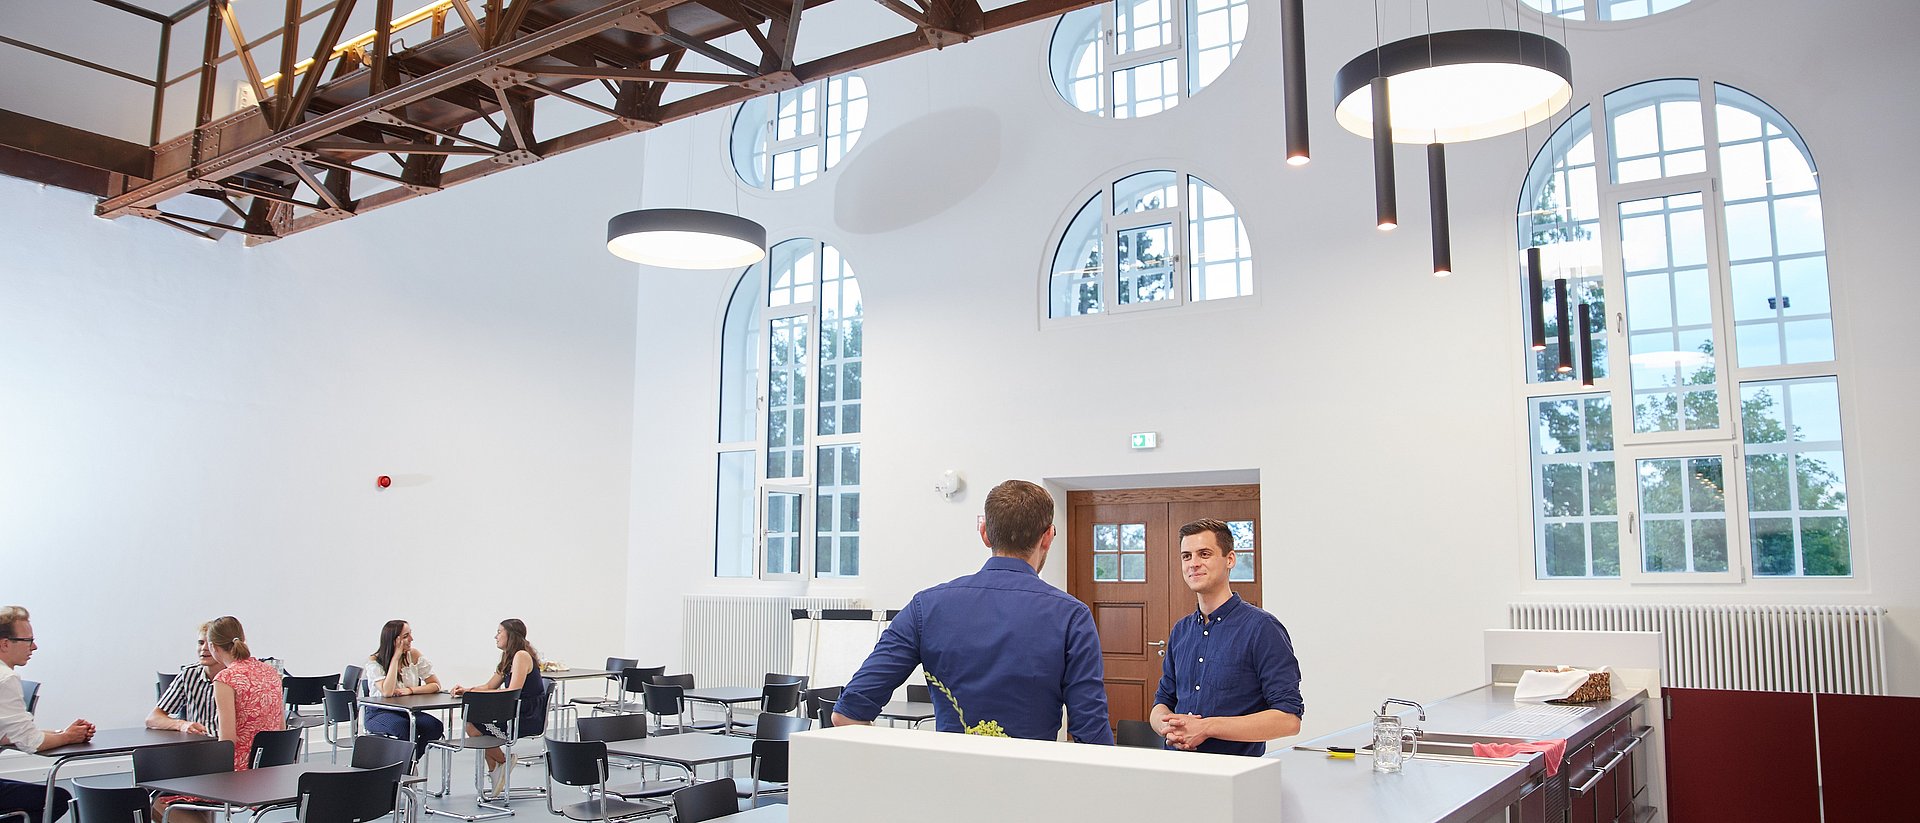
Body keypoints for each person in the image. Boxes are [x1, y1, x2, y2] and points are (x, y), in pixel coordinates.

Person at [832, 480, 1112, 744]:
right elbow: (1092, 738)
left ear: (985, 533)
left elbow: (847, 715)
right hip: (1032, 788)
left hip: (947, 786)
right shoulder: (1072, 617)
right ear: (1048, 537)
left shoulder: (925, 607)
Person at [1149, 519, 1304, 756]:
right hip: (1175, 771)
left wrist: (1207, 728)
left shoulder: (1262, 628)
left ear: (1229, 559)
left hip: (1237, 779)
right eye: (1186, 556)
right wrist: (1165, 725)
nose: (1194, 564)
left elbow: (1288, 719)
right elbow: (1162, 702)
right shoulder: (1181, 630)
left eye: (1204, 554)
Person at [0, 606, 94, 823]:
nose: (34, 646)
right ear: (5, 643)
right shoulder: (6, 679)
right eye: (28, 640)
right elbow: (31, 742)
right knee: (57, 799)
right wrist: (69, 737)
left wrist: (63, 733)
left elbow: (10, 734)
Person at [449, 619, 546, 792]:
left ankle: (503, 762)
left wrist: (475, 694)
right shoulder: (508, 657)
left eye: (499, 632)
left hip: (525, 716)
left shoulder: (521, 656)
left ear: (511, 635)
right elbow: (489, 686)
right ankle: (496, 771)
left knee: (473, 725)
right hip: (514, 711)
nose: (496, 636)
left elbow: (513, 691)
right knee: (472, 721)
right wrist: (467, 690)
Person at [363, 620, 445, 759]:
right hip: (379, 712)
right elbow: (387, 692)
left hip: (407, 711)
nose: (411, 639)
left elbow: (435, 685)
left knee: (434, 726)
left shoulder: (413, 655)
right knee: (403, 728)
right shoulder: (375, 661)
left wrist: (411, 690)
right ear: (395, 640)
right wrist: (395, 658)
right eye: (406, 636)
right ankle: (404, 766)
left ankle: (411, 762)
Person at [146, 623, 222, 736]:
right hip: (196, 746)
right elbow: (152, 718)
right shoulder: (189, 674)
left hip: (227, 747)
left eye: (211, 644)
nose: (204, 648)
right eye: (200, 643)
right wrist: (181, 725)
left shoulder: (237, 676)